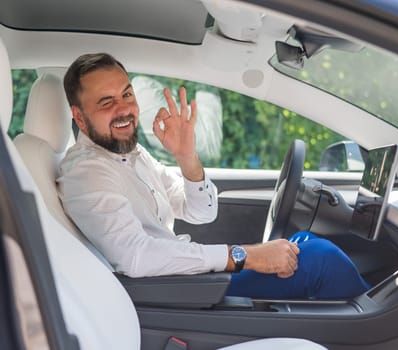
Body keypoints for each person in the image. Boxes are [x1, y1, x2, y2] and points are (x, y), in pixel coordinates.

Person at [57, 53, 370, 300]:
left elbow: (201, 212)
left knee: (302, 244)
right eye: (106, 102)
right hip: (171, 295)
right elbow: (136, 256)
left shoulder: (129, 153)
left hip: (182, 280)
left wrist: (186, 156)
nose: (124, 109)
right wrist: (246, 256)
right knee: (322, 259)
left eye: (126, 94)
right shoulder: (87, 172)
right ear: (79, 117)